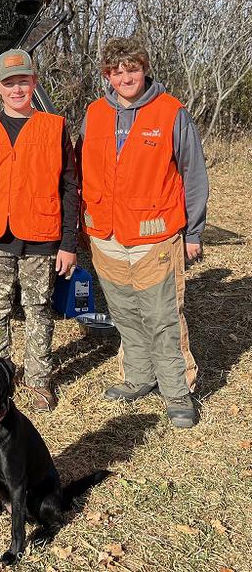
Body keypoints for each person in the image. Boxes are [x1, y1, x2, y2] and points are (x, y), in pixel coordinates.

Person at [79, 36, 208, 428]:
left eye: (132, 69)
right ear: (108, 76)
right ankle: (138, 378)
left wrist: (194, 231)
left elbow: (194, 174)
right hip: (105, 234)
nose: (125, 77)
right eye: (117, 72)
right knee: (125, 313)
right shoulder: (94, 113)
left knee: (163, 316)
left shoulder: (172, 113)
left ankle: (177, 393)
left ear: (144, 69)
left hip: (156, 235)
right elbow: (81, 170)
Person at [0, 49, 79, 412]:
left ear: (34, 83)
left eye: (23, 81)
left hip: (42, 235)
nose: (16, 89)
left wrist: (69, 243)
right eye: (9, 83)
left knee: (38, 309)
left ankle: (39, 380)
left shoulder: (54, 127)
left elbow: (71, 187)